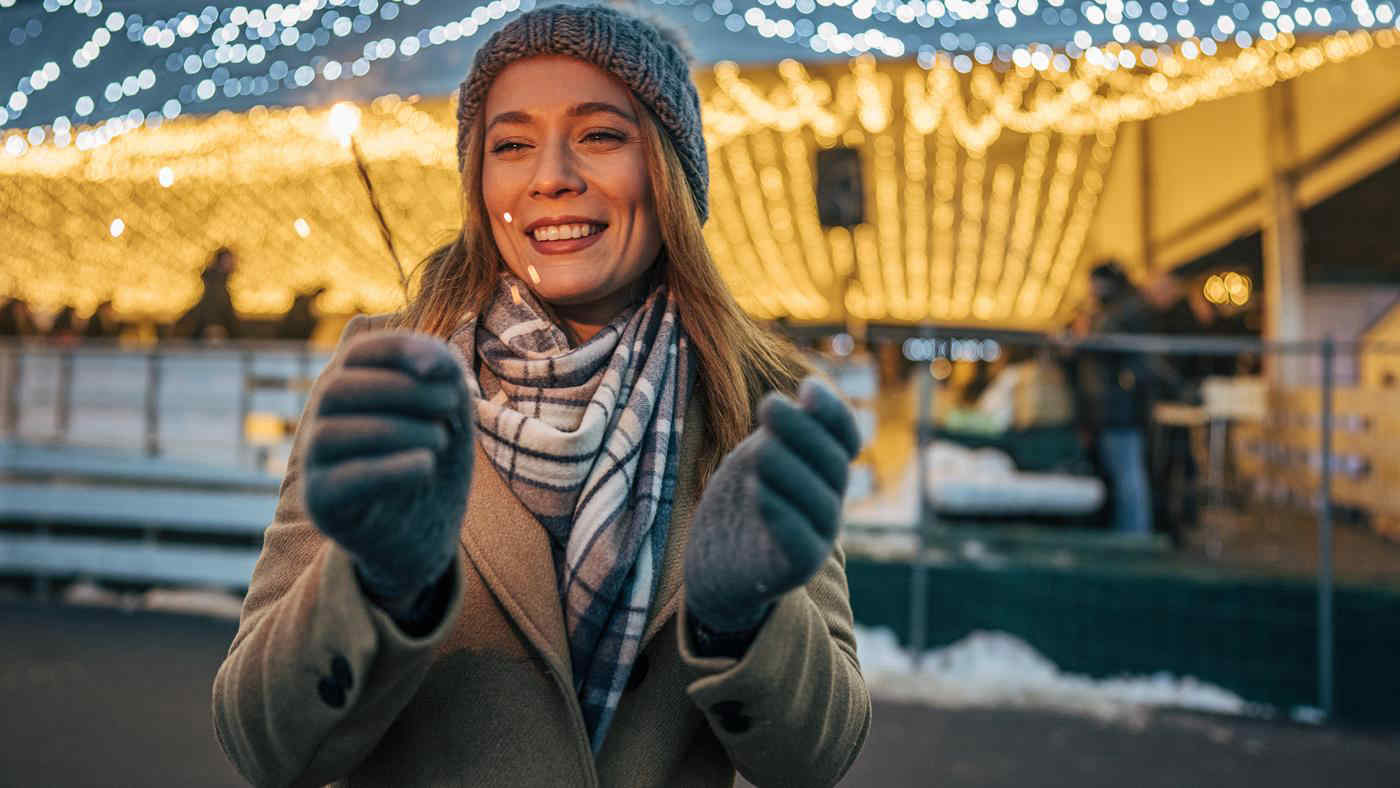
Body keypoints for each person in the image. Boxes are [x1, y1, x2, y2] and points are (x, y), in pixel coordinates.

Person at [212, 6, 871, 787]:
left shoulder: (757, 396)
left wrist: (748, 620)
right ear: (479, 183)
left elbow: (818, 758)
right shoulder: (387, 376)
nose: (550, 175)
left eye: (599, 135)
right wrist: (375, 586)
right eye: (512, 144)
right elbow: (260, 743)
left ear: (669, 172)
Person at [173, 246, 242, 341]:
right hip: (211, 337)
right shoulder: (216, 287)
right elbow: (212, 316)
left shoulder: (215, 284)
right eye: (228, 261)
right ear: (220, 262)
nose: (232, 264)